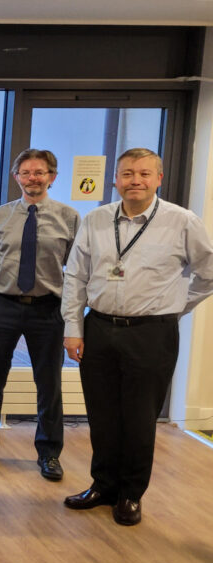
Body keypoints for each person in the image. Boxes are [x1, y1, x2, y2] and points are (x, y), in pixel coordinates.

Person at [61, 148, 213, 526]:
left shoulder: (182, 222)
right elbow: (75, 277)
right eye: (127, 173)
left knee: (140, 417)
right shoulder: (96, 220)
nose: (135, 181)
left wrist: (176, 306)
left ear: (158, 179)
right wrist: (73, 328)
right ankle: (103, 485)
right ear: (116, 179)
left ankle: (130, 494)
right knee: (102, 414)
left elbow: (209, 272)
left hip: (152, 334)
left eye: (144, 174)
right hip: (98, 328)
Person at [0, 149, 80, 480]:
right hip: (2, 306)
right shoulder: (1, 216)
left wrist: (72, 315)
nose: (33, 178)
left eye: (40, 172)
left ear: (52, 177)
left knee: (49, 385)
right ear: (16, 177)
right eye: (26, 172)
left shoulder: (69, 217)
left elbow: (76, 271)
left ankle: (49, 453)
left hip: (48, 309)